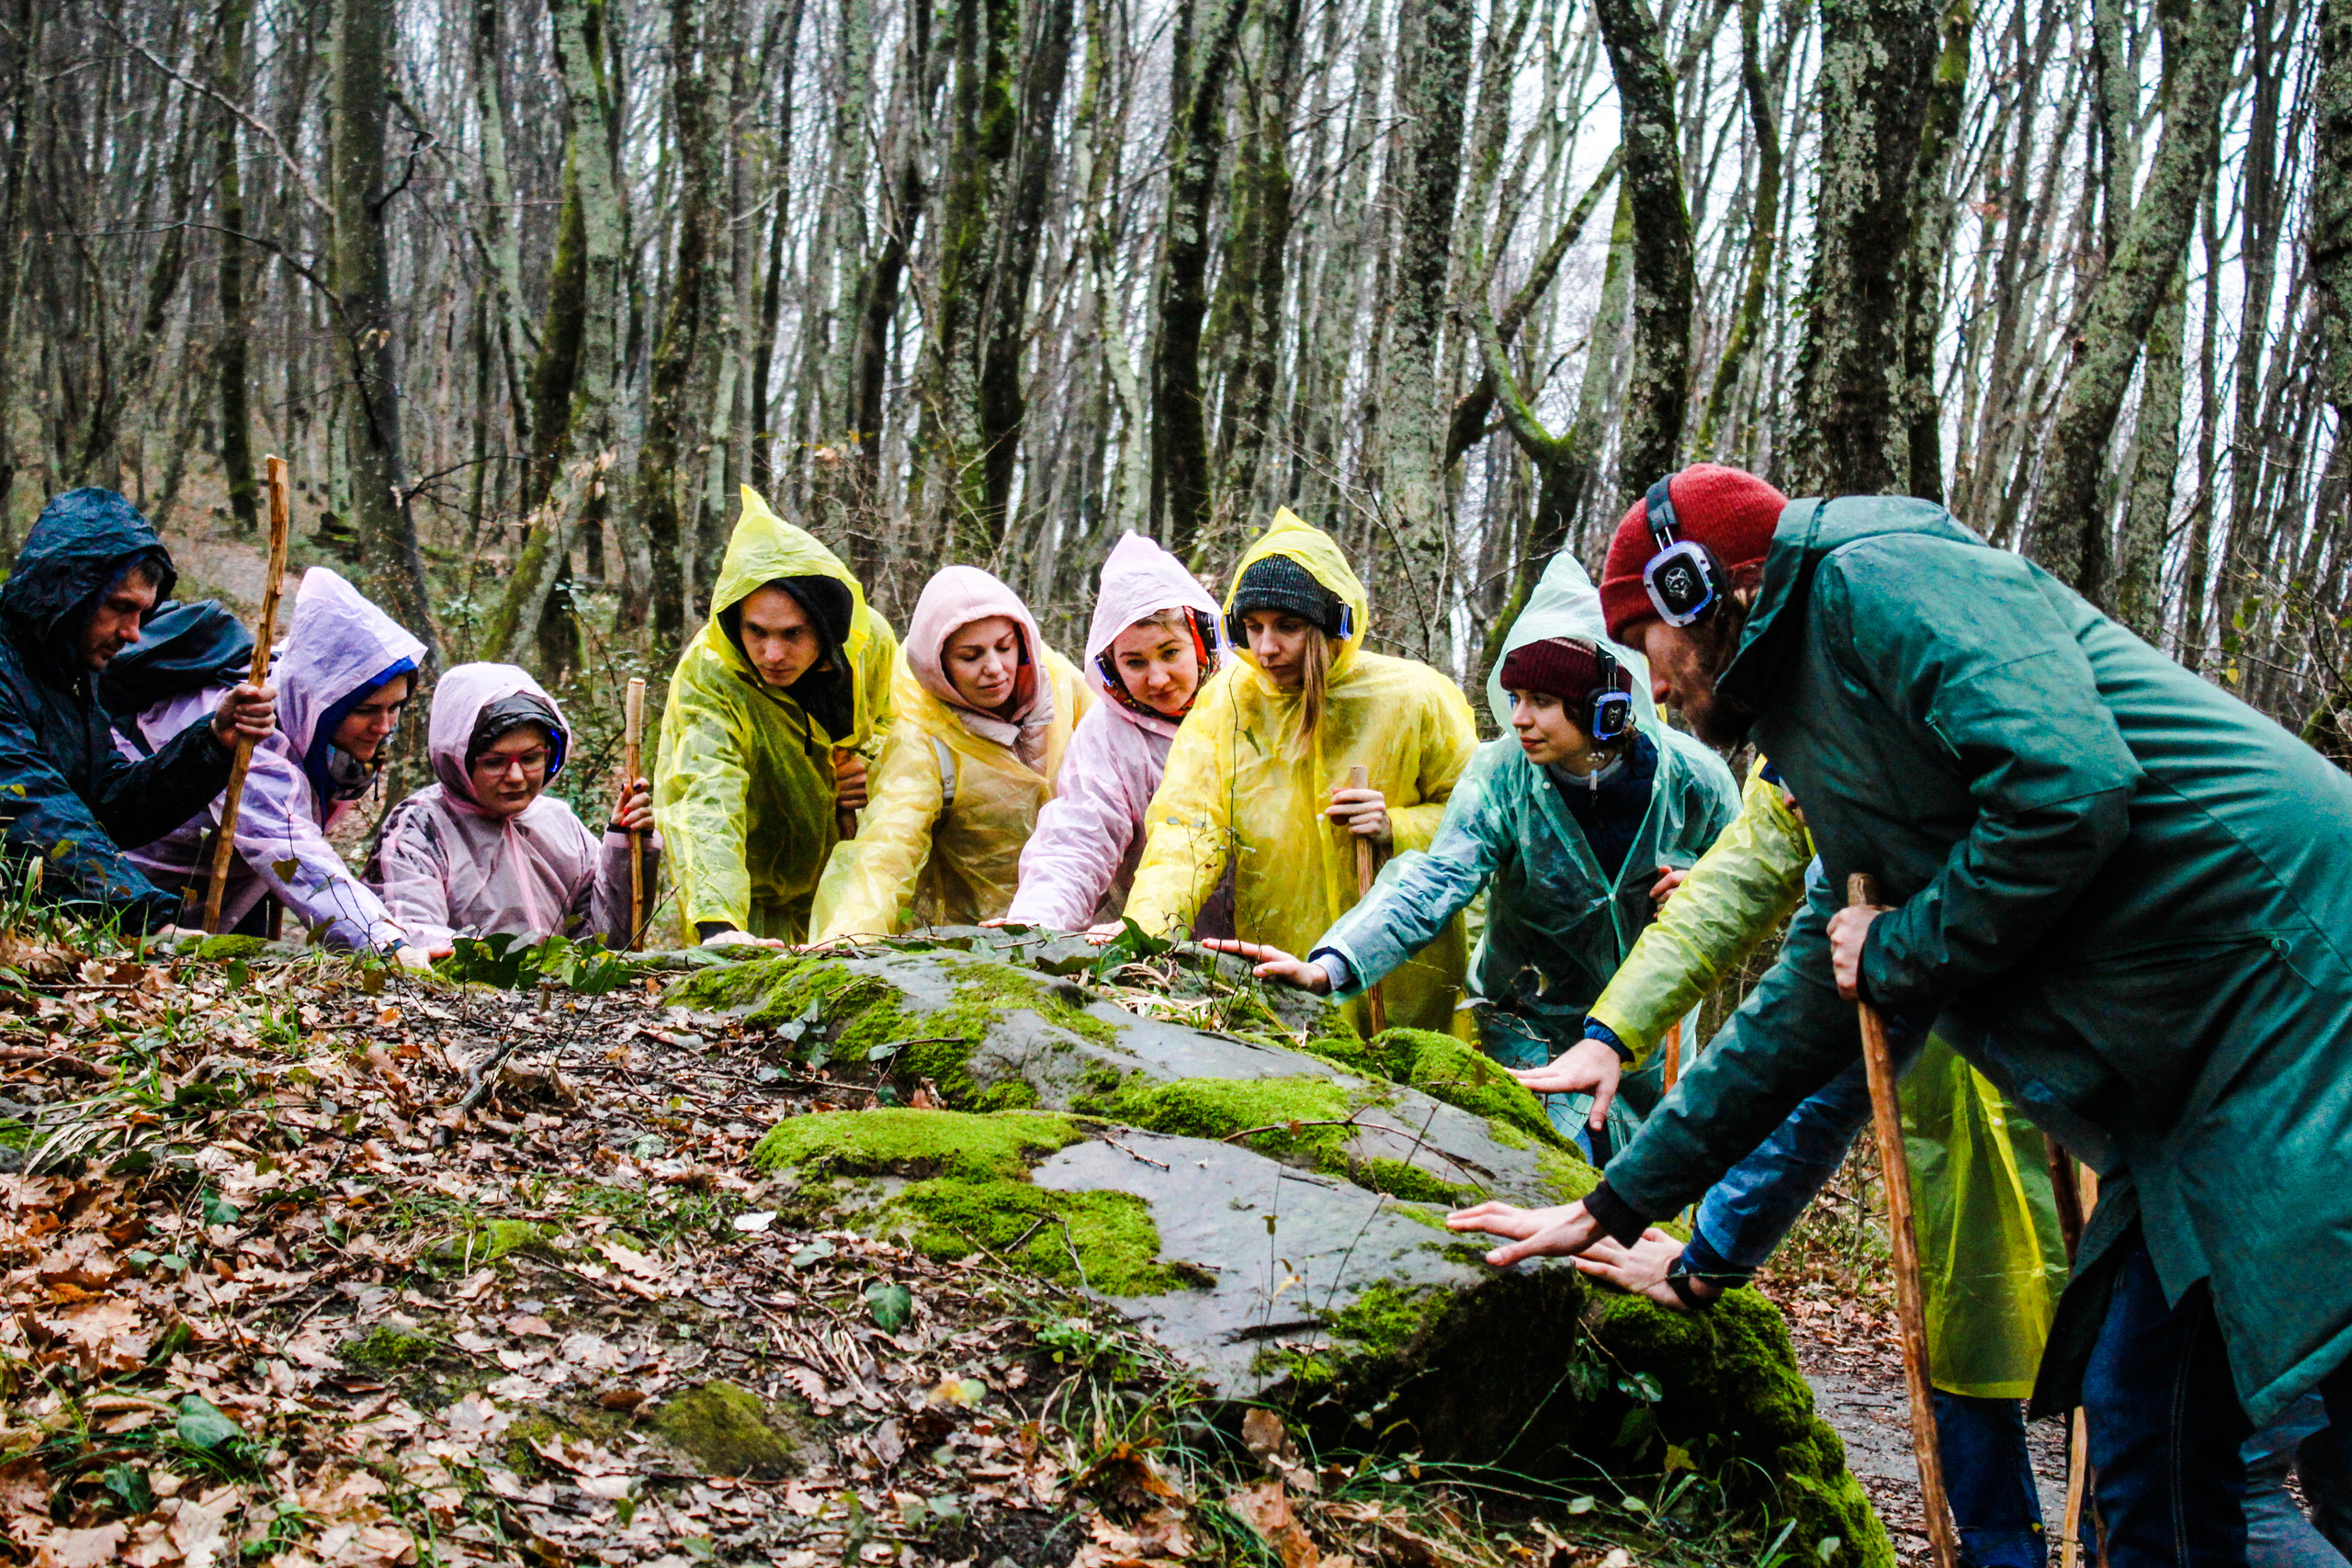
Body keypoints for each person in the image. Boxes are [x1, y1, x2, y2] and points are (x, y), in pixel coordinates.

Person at [1444, 462, 2352, 1567]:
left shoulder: (1884, 576)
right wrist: (1616, 1205)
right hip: (2205, 1079)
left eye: (1646, 640)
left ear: (1700, 587)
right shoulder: (1821, 726)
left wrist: (1902, 947)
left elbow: (2067, 789)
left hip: (2300, 1001)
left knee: (2281, 1445)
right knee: (2142, 1430)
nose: (1654, 683)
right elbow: (1809, 1004)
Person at [1204, 550, 1738, 1151]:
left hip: (1650, 1029)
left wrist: (1702, 888)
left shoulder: (1695, 782)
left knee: (1646, 1172)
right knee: (1561, 1156)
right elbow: (1432, 883)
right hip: (1529, 1023)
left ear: (1604, 709)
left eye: (1541, 700)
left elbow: (1743, 881)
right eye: (1515, 696)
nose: (1519, 718)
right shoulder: (1500, 776)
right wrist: (1332, 965)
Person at [1121, 508, 1477, 1037]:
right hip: (1280, 958)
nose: (1266, 648)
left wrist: (1396, 827)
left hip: (1403, 970)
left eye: (1287, 626)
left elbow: (1477, 825)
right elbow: (1187, 831)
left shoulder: (1415, 697)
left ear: (1333, 623)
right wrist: (1143, 935)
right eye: (1254, 627)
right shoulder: (1229, 703)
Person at [0, 488, 275, 931]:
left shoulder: (67, 673)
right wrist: (145, 918)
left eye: (142, 613)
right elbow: (27, 807)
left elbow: (108, 804)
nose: (133, 633)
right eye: (120, 607)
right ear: (66, 593)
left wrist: (212, 742)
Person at [119, 567, 426, 958]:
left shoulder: (305, 708)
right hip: (132, 904)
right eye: (365, 710)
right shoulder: (251, 735)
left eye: (395, 707)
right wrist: (383, 942)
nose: (383, 727)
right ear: (322, 701)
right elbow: (293, 852)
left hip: (229, 888)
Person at [653, 486, 898, 947]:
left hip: (854, 890)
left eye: (792, 634)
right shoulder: (713, 672)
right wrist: (719, 924)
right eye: (756, 631)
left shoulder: (868, 645)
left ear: (825, 627)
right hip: (752, 899)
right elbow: (704, 790)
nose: (771, 654)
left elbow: (900, 726)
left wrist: (872, 766)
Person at [811, 565, 1091, 938]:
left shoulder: (1062, 685)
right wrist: (847, 939)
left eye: (1004, 647)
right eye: (970, 656)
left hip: (1086, 924)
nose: (995, 668)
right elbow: (887, 850)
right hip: (975, 941)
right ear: (938, 664)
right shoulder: (922, 738)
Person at [1001, 532, 1233, 935]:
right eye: (1135, 662)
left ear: (1200, 640)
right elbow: (1077, 840)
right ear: (1111, 666)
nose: (1157, 678)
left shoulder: (1251, 702)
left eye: (1170, 652)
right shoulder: (1107, 734)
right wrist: (1036, 929)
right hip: (1151, 944)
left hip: (1278, 942)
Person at [366, 663, 658, 953]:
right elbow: (410, 936)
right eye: (495, 762)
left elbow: (605, 944)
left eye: (530, 759)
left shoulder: (560, 822)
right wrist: (495, 963)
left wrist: (625, 846)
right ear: (456, 757)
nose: (516, 777)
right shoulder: (420, 828)